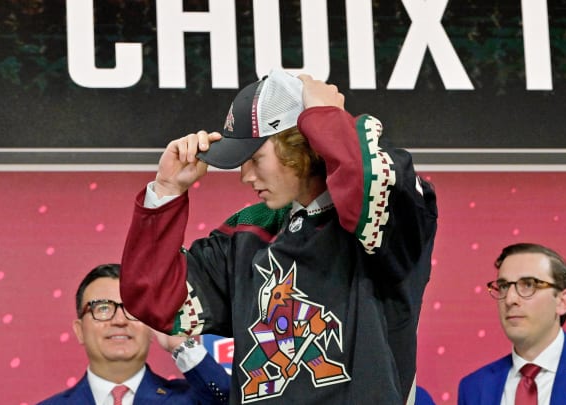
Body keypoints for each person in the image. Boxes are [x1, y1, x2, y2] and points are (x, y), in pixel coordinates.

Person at [120, 68, 438, 404]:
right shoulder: (249, 232)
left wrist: (324, 115)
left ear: (301, 144)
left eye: (256, 158)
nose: (245, 176)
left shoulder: (391, 219)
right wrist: (166, 192)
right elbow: (153, 298)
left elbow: (371, 179)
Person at [458, 242, 566, 405]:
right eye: (503, 286)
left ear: (562, 301)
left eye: (528, 284)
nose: (510, 299)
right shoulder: (474, 388)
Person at [37, 264, 229, 405]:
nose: (120, 320)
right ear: (79, 330)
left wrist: (180, 344)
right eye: (103, 308)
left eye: (133, 310)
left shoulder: (190, 399)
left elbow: (233, 399)